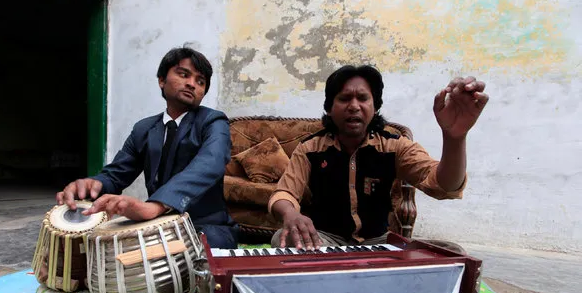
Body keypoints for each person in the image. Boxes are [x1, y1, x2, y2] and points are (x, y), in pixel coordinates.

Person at [268, 64, 489, 250]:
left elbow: (445, 185)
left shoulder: (394, 146)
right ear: (329, 108)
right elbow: (284, 193)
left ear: (375, 107)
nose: (354, 106)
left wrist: (455, 138)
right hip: (325, 243)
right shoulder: (310, 148)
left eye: (363, 98)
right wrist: (290, 213)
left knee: (452, 251)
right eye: (344, 98)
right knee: (282, 239)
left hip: (379, 243)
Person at [56, 47, 237, 249]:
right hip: (155, 226)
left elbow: (211, 164)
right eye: (183, 74)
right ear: (162, 80)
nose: (191, 84)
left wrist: (157, 205)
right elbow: (116, 175)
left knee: (194, 255)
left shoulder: (214, 121)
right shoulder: (144, 129)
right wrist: (93, 184)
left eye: (200, 81)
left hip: (206, 228)